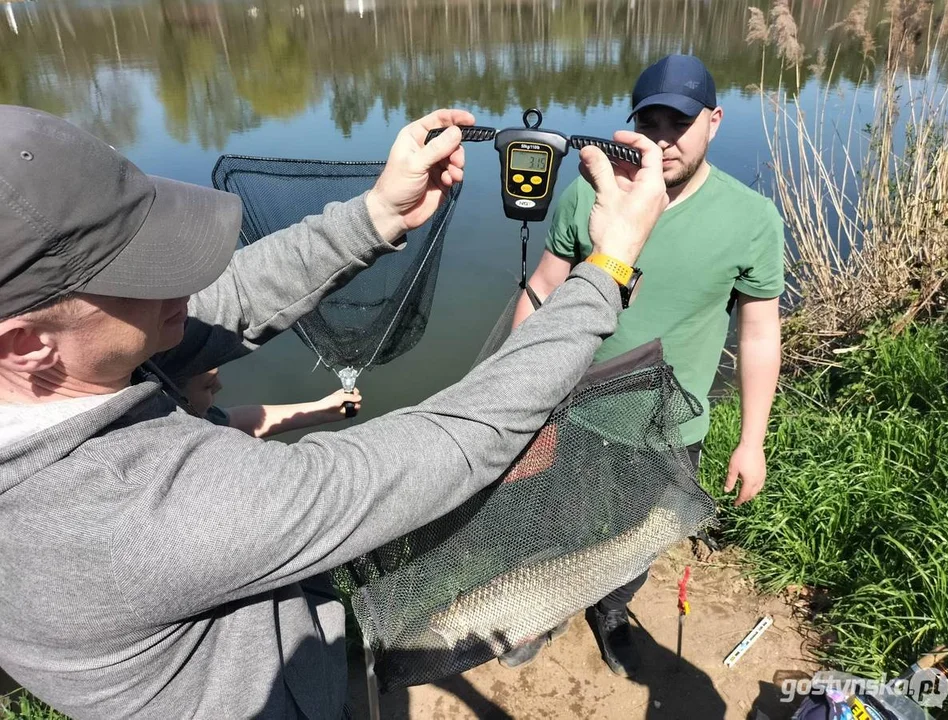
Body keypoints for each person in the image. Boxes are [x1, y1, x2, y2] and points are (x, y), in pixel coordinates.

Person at [0, 103, 669, 719]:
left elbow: (220, 305)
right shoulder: (134, 519)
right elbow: (454, 442)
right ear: (26, 344)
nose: (180, 282)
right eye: (140, 274)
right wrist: (605, 273)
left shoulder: (63, 369)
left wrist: (379, 214)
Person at [504, 54, 785, 675]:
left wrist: (752, 442)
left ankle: (610, 615)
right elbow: (543, 288)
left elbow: (760, 331)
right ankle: (544, 612)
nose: (663, 138)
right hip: (577, 411)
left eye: (679, 122)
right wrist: (515, 398)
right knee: (556, 523)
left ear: (713, 121)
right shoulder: (591, 194)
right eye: (650, 120)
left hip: (672, 428)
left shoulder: (752, 220)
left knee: (637, 539)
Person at [181, 366, 361, 437]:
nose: (219, 386)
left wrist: (321, 410)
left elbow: (233, 421)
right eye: (208, 385)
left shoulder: (192, 414)